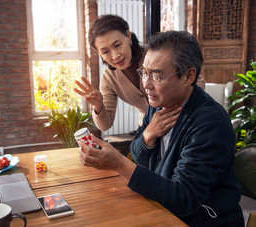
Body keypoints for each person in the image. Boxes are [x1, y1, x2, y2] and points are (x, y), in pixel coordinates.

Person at [78, 30, 244, 226]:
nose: (146, 85)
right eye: (144, 73)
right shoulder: (158, 105)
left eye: (156, 76)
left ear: (189, 76)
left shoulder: (209, 123)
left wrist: (119, 163)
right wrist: (148, 135)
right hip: (163, 210)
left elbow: (184, 199)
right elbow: (139, 155)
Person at [74, 14, 205, 132]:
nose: (115, 55)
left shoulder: (154, 55)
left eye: (117, 45)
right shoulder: (109, 78)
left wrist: (174, 108)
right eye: (105, 52)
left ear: (129, 37)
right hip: (148, 129)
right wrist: (98, 106)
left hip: (183, 121)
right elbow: (105, 126)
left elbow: (198, 81)